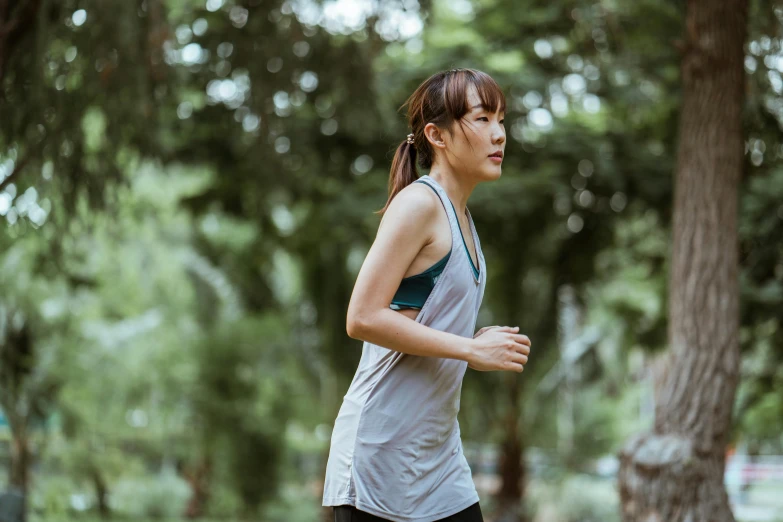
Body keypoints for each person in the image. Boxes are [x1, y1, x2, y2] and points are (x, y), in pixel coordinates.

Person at [322, 68, 532, 522]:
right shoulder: (419, 204)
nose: (498, 135)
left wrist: (475, 338)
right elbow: (361, 317)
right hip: (381, 455)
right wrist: (470, 348)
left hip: (438, 461)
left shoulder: (464, 219)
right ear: (437, 134)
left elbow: (420, 317)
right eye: (481, 119)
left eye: (502, 120)